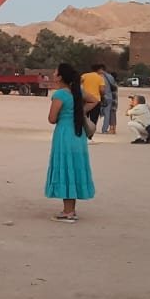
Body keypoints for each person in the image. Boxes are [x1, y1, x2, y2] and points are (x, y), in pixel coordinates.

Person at [45, 62, 95, 221]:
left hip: (64, 134)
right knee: (74, 167)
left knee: (65, 167)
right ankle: (70, 209)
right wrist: (79, 111)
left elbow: (52, 119)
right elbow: (94, 100)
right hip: (78, 134)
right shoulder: (77, 91)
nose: (53, 75)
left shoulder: (60, 95)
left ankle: (68, 212)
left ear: (60, 76)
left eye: (55, 72)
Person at [81, 63, 106, 133]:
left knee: (84, 117)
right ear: (99, 70)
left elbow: (78, 82)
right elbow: (102, 90)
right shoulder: (100, 78)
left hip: (85, 99)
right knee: (93, 119)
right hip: (96, 101)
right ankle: (90, 136)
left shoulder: (85, 75)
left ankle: (83, 133)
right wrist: (103, 96)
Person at [100, 68, 118, 133]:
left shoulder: (104, 78)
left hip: (110, 100)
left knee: (110, 115)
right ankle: (112, 129)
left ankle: (111, 129)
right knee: (111, 115)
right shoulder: (114, 84)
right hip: (113, 101)